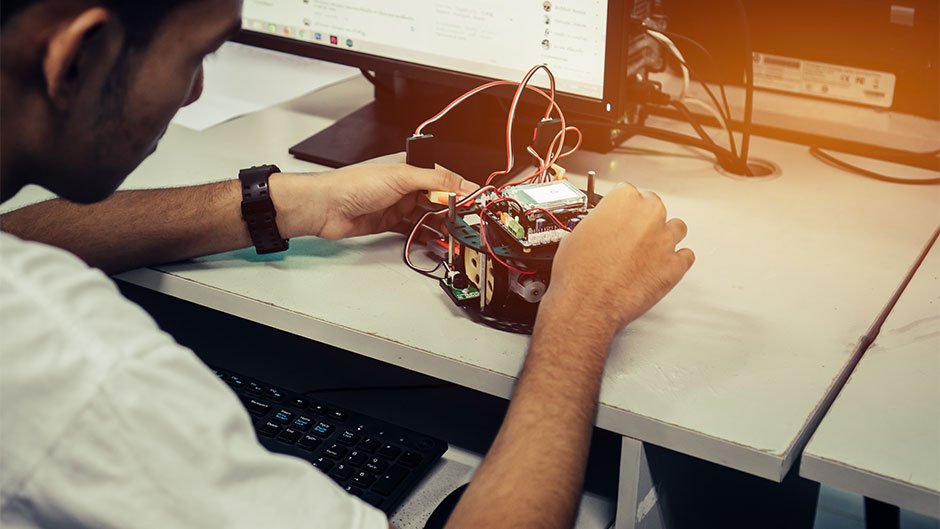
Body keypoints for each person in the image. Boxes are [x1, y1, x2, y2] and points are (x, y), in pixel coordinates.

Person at [0, 1, 694, 528]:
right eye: (196, 55)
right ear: (79, 57)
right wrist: (581, 310)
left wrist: (284, 204)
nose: (194, 93)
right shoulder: (77, 370)